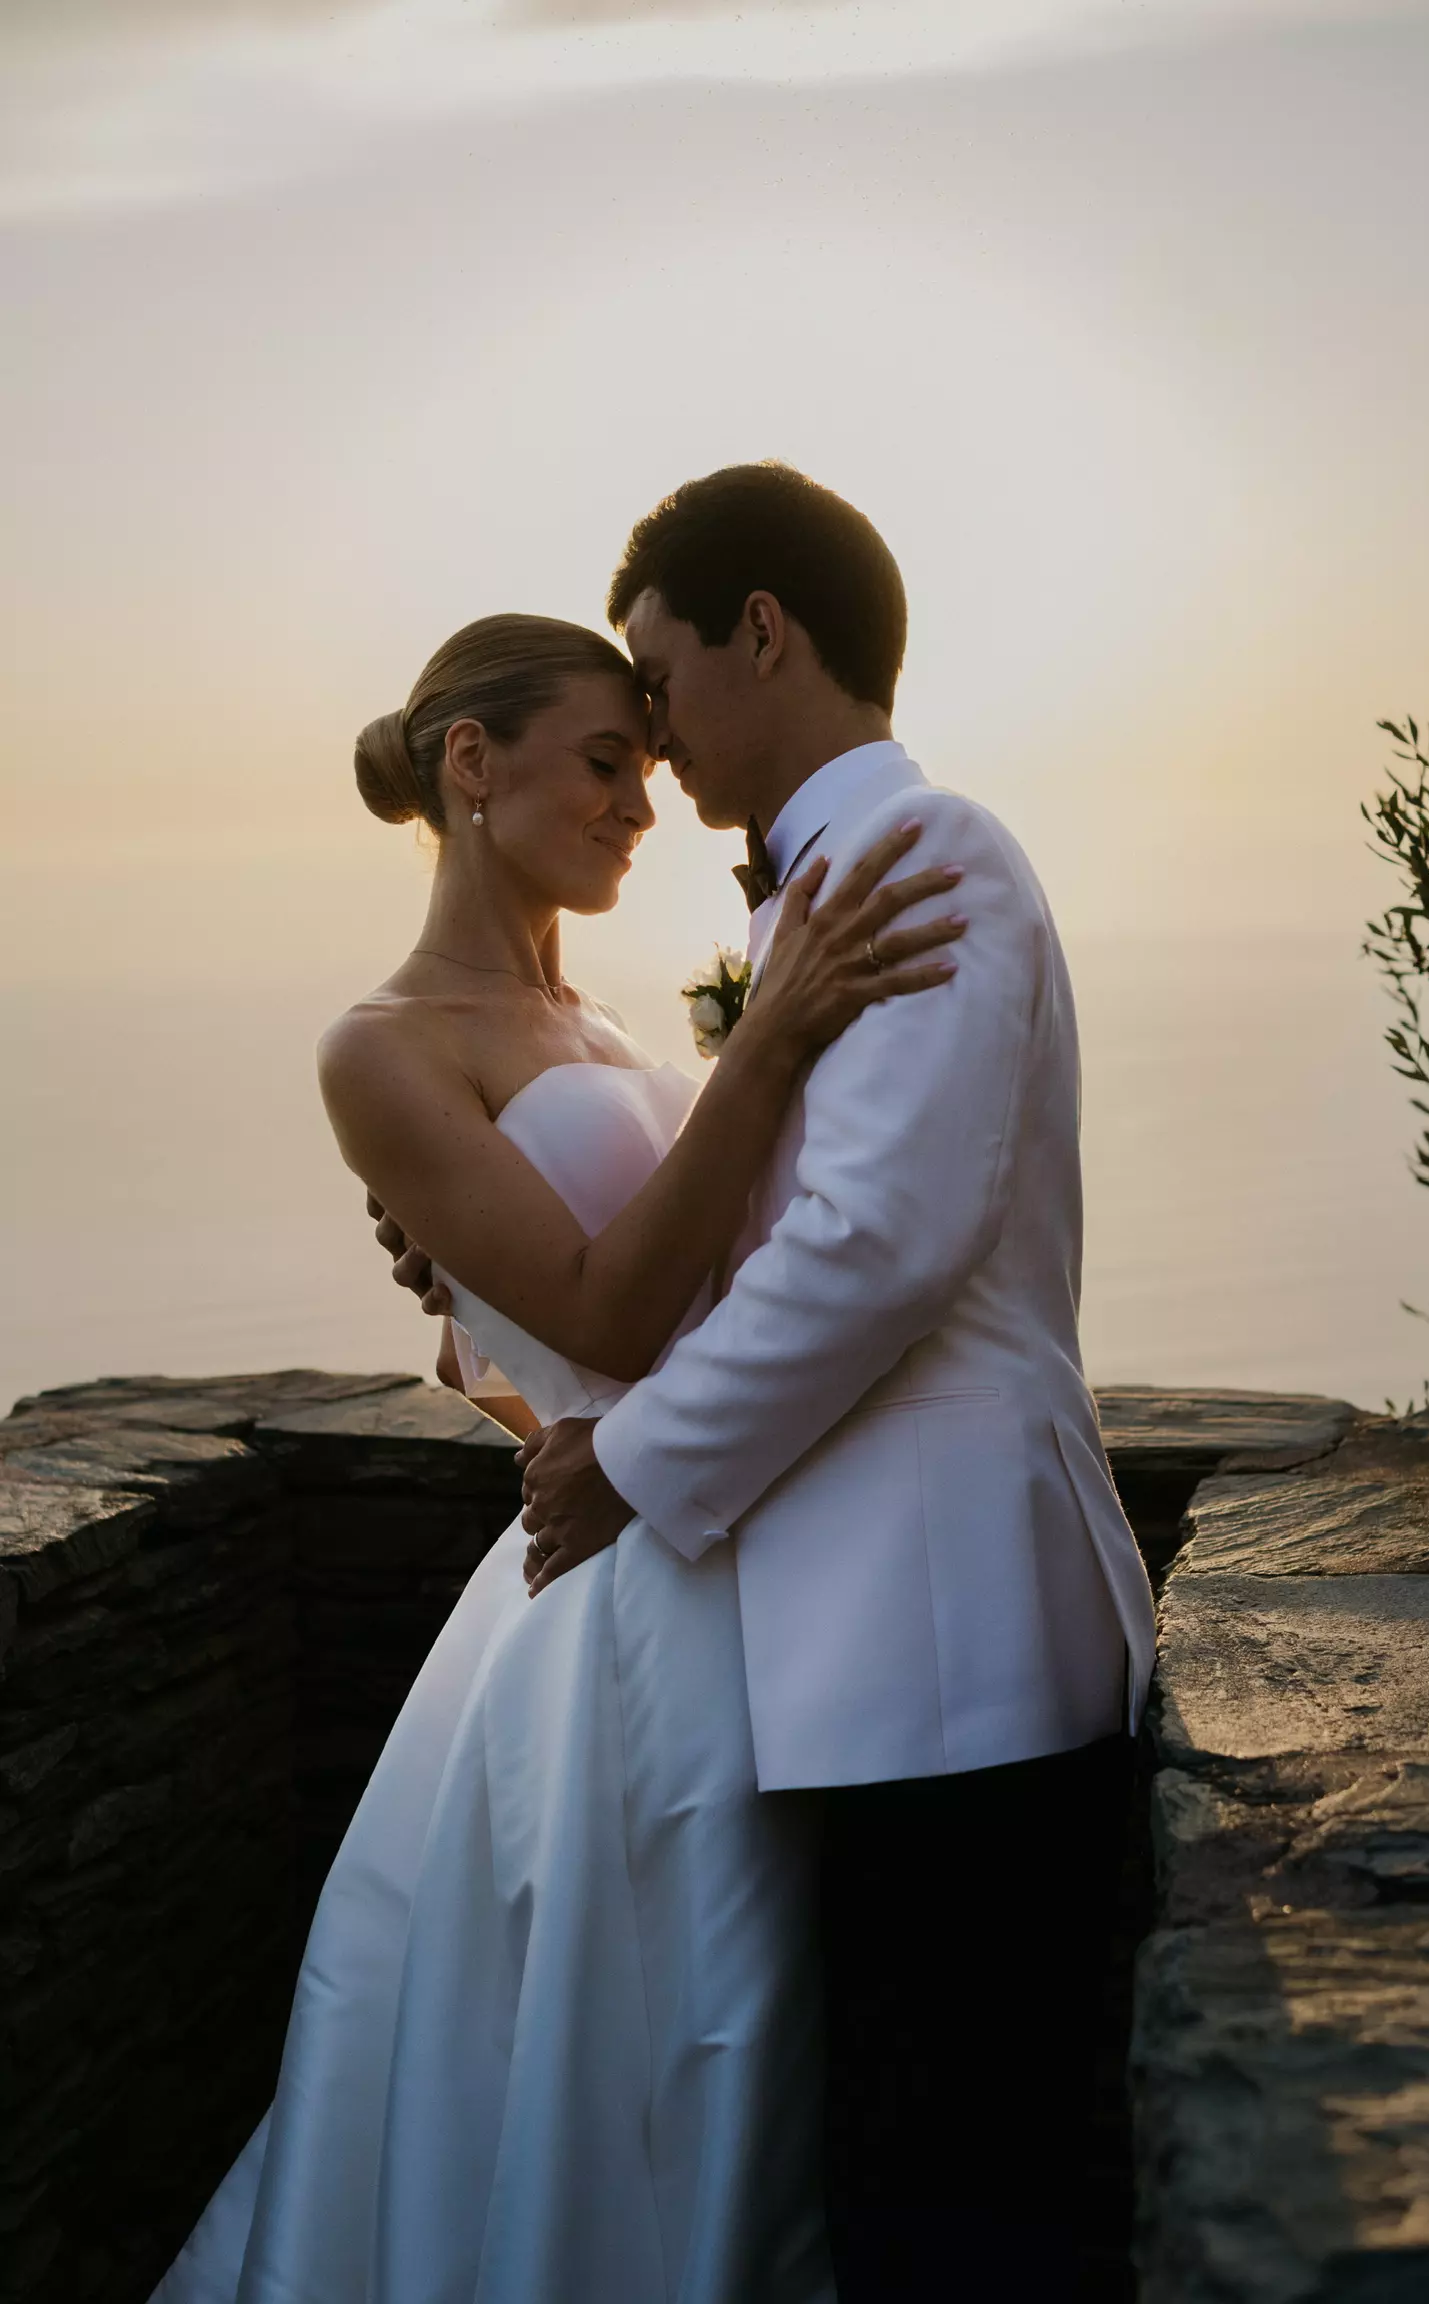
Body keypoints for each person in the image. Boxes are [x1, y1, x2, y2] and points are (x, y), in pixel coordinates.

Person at [151, 607, 965, 2304]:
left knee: (739, 2028)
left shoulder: (594, 1027)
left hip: (716, 1543)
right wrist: (778, 1039)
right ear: (473, 764)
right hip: (610, 1608)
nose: (639, 807)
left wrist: (477, 1334)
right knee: (648, 2027)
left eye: (648, 771)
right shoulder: (383, 1044)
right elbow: (617, 1295)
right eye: (607, 764)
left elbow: (567, 1369)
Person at [506, 464, 1160, 2301]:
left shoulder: (932, 856)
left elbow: (881, 1240)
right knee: (882, 2164)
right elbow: (755, 1234)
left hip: (953, 1645)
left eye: (659, 668)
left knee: (958, 2191)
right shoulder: (827, 897)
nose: (645, 721)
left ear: (764, 634)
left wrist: (634, 1457)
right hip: (861, 1649)